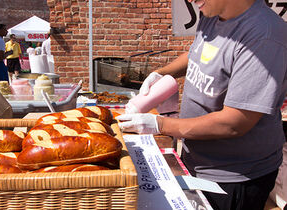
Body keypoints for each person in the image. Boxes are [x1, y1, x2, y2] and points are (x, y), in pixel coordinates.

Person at [117, 0, 287, 209]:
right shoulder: (213, 13)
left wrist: (160, 125)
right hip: (196, 159)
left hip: (234, 176)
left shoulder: (263, 35)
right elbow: (197, 52)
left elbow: (235, 122)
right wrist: (162, 73)